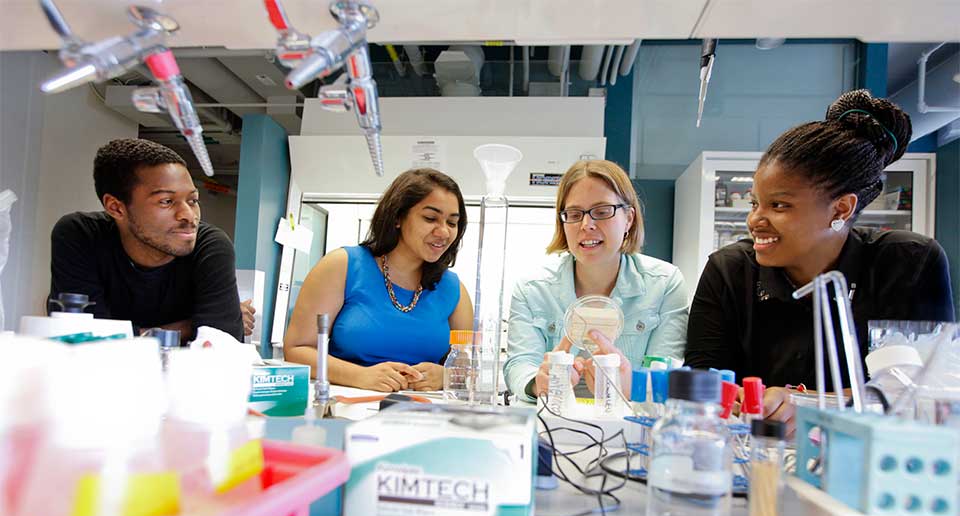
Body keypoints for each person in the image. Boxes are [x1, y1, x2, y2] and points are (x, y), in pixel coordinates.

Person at [684, 89, 955, 426]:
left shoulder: (908, 263)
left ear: (841, 208)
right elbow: (700, 383)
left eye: (779, 205)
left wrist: (807, 404)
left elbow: (924, 396)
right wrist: (732, 398)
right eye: (755, 203)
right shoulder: (729, 270)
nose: (755, 220)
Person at [504, 159, 689, 402]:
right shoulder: (531, 288)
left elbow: (667, 372)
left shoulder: (664, 283)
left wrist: (631, 385)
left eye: (602, 212)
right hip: (549, 426)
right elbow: (519, 364)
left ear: (629, 219)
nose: (586, 225)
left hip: (629, 426)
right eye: (574, 214)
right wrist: (537, 382)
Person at [284, 169, 474, 392]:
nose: (443, 232)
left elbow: (468, 368)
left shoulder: (454, 290)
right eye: (430, 218)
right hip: (347, 409)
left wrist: (447, 376)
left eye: (452, 223)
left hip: (422, 415)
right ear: (397, 218)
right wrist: (360, 376)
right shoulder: (342, 266)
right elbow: (297, 350)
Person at [49, 138, 252, 342]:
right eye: (166, 201)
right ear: (116, 208)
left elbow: (220, 347)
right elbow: (83, 341)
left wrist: (128, 335)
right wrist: (191, 326)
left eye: (193, 200)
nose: (189, 215)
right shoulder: (80, 235)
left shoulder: (210, 246)